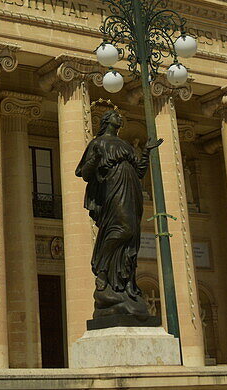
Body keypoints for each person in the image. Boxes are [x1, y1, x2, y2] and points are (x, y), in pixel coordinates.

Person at [76, 109, 158, 325]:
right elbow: (85, 173)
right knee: (123, 229)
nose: (119, 117)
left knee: (132, 236)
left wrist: (147, 152)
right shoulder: (98, 143)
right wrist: (94, 161)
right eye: (114, 115)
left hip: (131, 190)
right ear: (106, 121)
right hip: (113, 189)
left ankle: (122, 284)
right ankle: (102, 270)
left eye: (120, 116)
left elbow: (140, 172)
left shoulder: (126, 145)